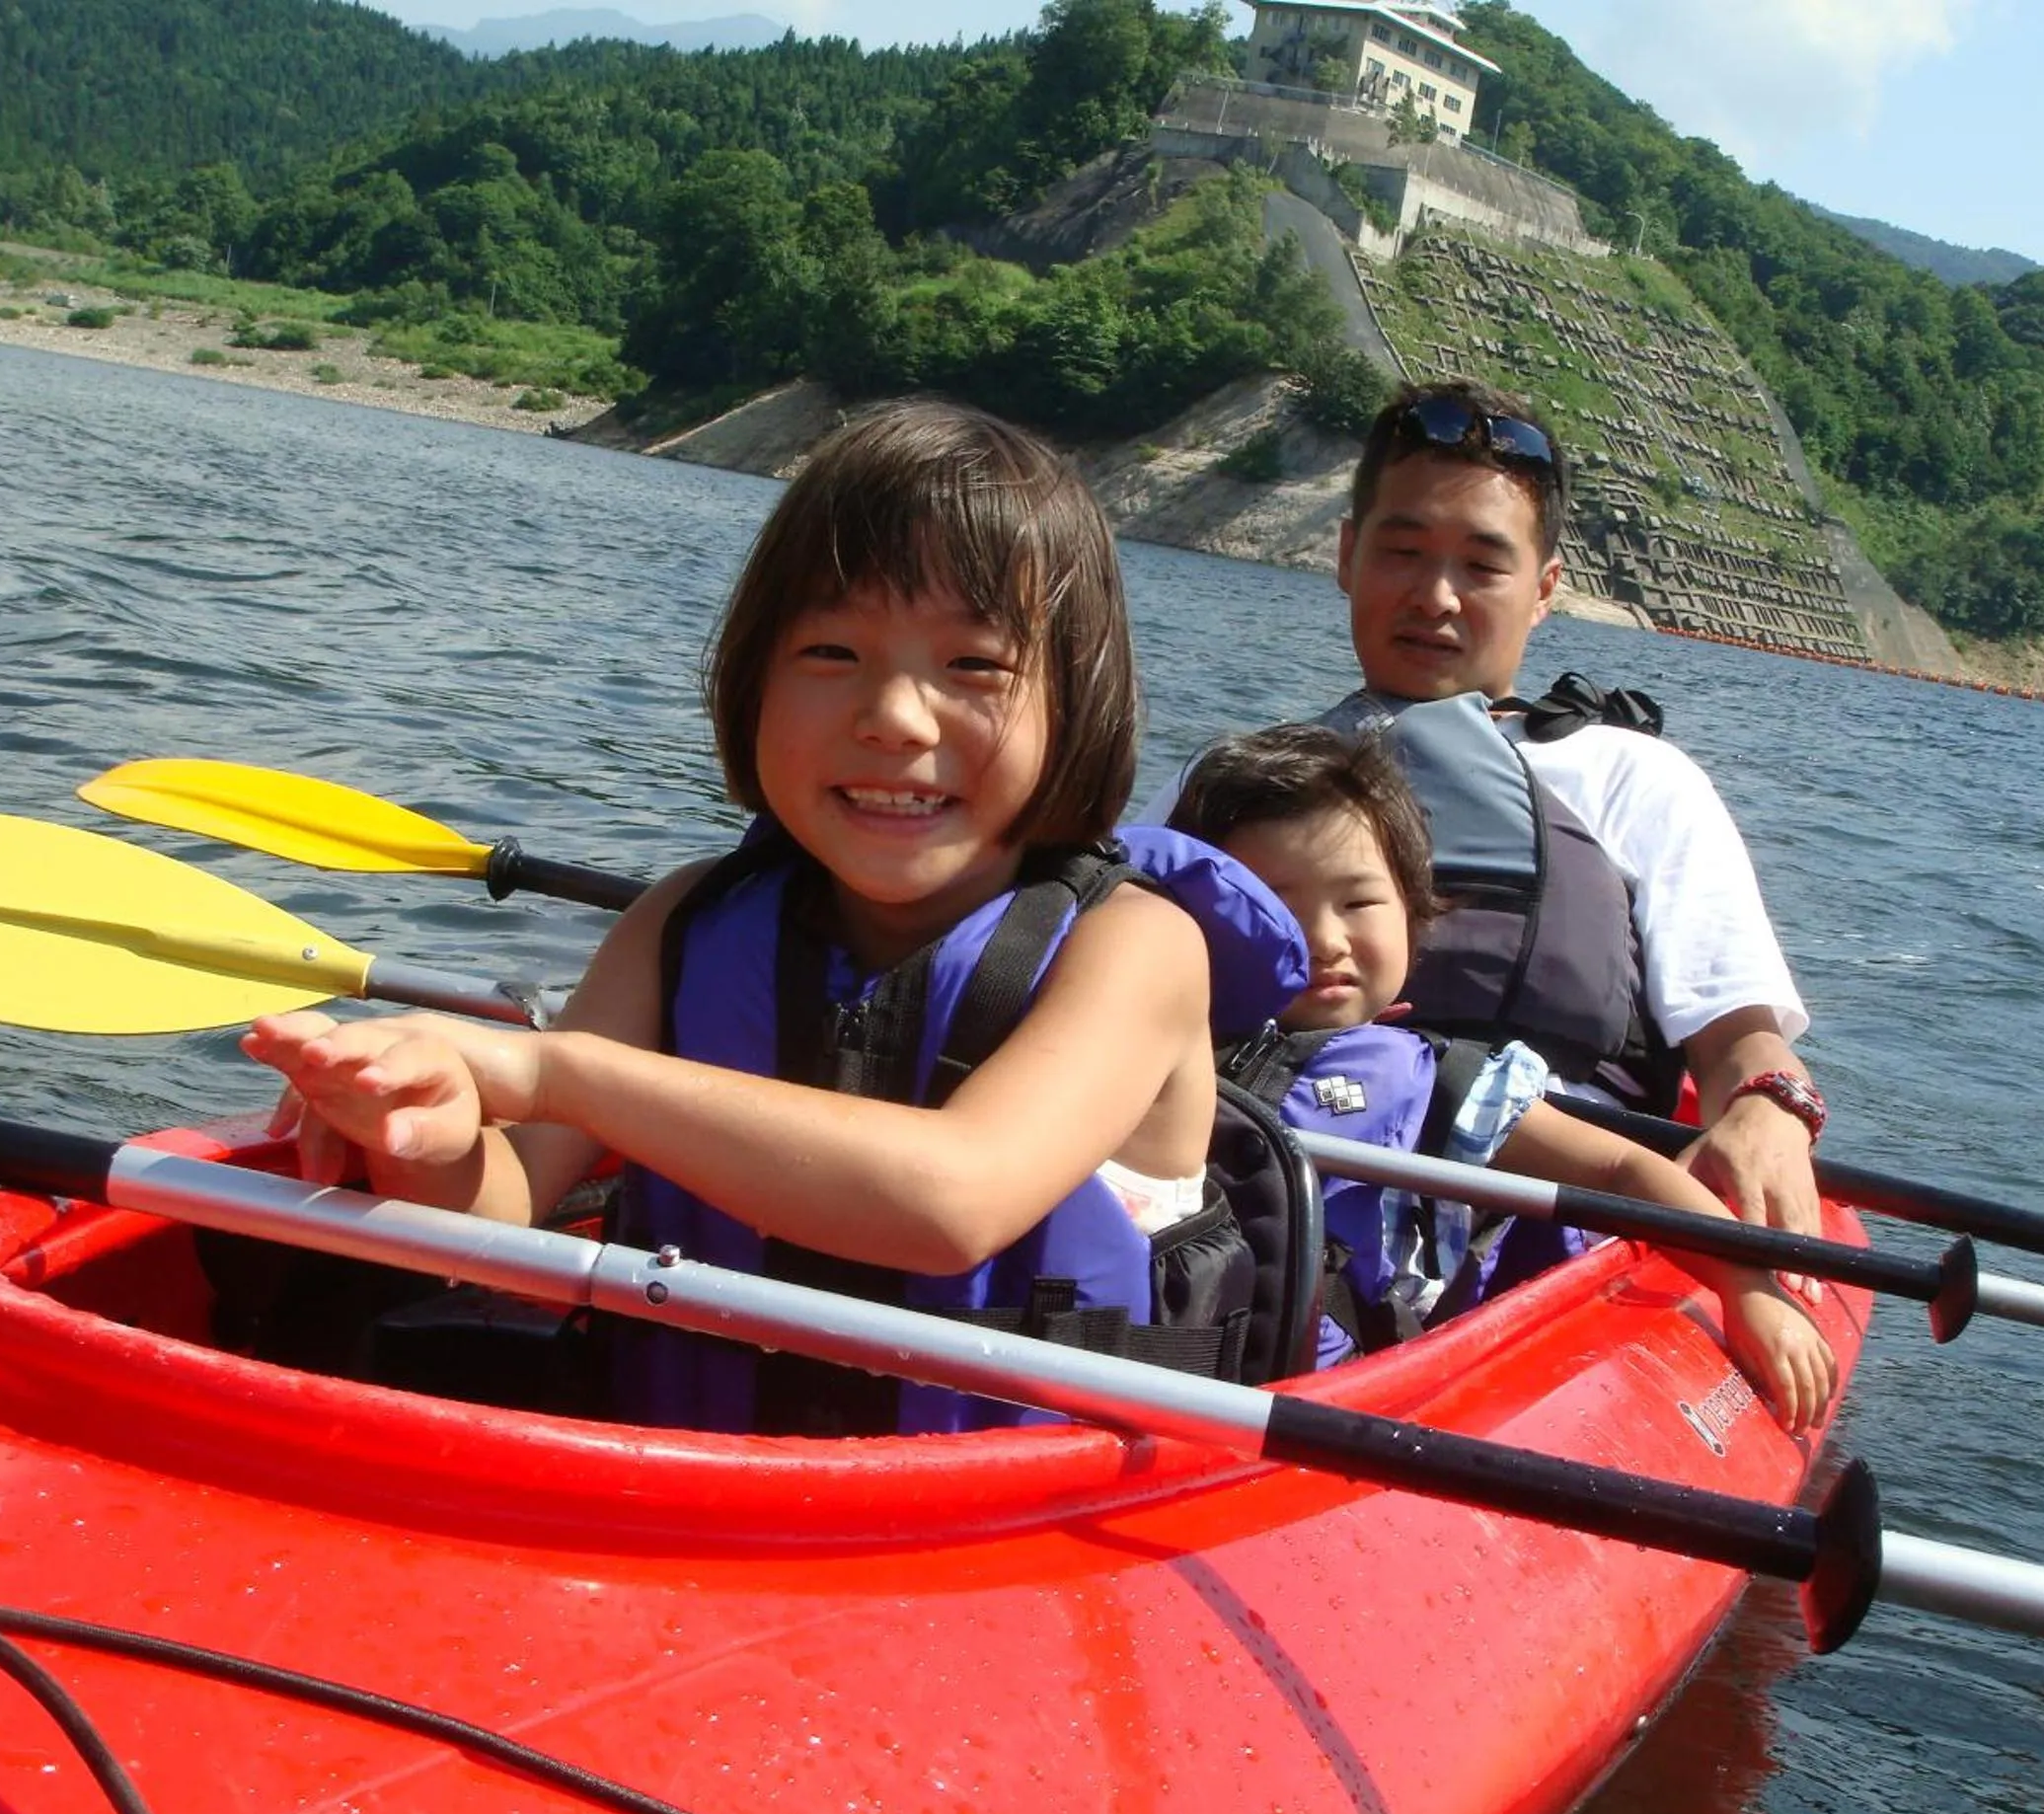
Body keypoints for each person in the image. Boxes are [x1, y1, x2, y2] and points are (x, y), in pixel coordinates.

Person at [241, 400, 1305, 1436]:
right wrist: (420, 1134)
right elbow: (505, 1201)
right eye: (831, 654)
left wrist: (553, 1071)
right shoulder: (685, 920)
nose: (893, 718)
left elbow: (955, 1203)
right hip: (682, 1482)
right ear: (753, 682)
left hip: (1008, 1516)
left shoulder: (1136, 948)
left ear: (1076, 706)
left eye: (975, 665)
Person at [1145, 377, 1827, 1241]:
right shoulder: (1241, 779)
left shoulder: (1636, 781)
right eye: (1403, 552)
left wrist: (1770, 1108)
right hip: (1261, 1183)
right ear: (1347, 556)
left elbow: (1740, 1042)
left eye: (1482, 566)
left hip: (1545, 1221)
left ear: (1544, 588)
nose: (1436, 597)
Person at [1170, 723, 1836, 1429]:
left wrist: (1748, 1287)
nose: (1325, 939)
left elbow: (1620, 1170)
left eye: (1358, 904)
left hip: (1325, 1393)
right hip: (1175, 1358)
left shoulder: (1436, 1080)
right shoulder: (1160, 1033)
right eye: (1276, 906)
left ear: (1414, 914)